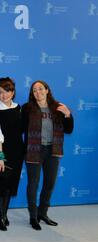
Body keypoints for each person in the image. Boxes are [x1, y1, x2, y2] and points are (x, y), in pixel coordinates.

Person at [22, 80, 74, 230]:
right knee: (33, 184)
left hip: (53, 150)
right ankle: (33, 217)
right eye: (34, 90)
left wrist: (68, 115)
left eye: (40, 89)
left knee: (49, 184)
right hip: (34, 150)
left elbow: (69, 129)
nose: (37, 92)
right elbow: (20, 129)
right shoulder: (27, 108)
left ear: (47, 90)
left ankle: (42, 213)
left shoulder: (58, 107)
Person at [0, 77, 25, 231]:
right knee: (1, 184)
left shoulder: (19, 108)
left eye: (7, 91)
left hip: (17, 151)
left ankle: (5, 214)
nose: (4, 95)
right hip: (1, 150)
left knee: (11, 185)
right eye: (1, 92)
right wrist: (0, 157)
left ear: (13, 92)